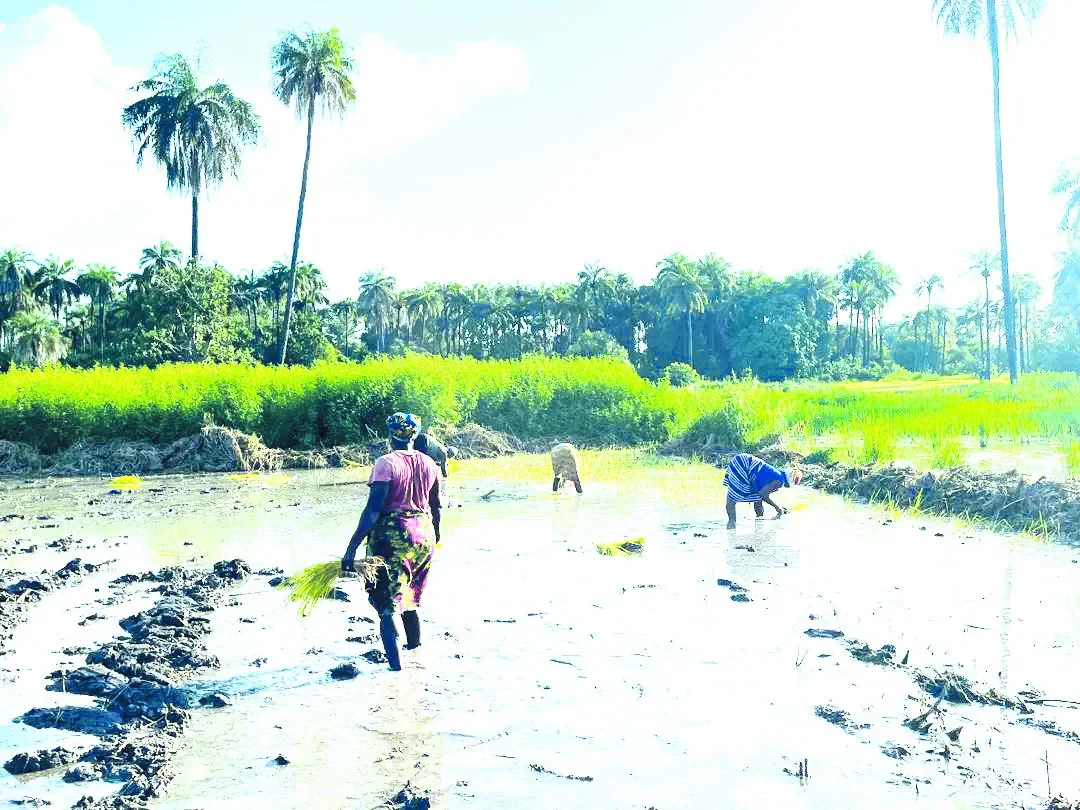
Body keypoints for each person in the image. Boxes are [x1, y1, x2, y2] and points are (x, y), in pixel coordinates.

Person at [341, 412, 441, 672]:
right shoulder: (430, 463)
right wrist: (435, 536)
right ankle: (416, 657)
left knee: (387, 607)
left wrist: (351, 549)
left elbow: (373, 511)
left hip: (393, 538)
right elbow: (436, 506)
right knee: (410, 598)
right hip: (424, 536)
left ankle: (395, 671)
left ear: (390, 435)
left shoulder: (386, 463)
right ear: (415, 434)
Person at [724, 452, 802, 529]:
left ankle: (758, 522)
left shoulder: (777, 473)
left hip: (740, 459)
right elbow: (763, 494)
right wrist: (777, 507)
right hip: (743, 464)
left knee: (754, 497)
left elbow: (759, 493)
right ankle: (732, 527)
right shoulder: (780, 481)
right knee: (733, 499)